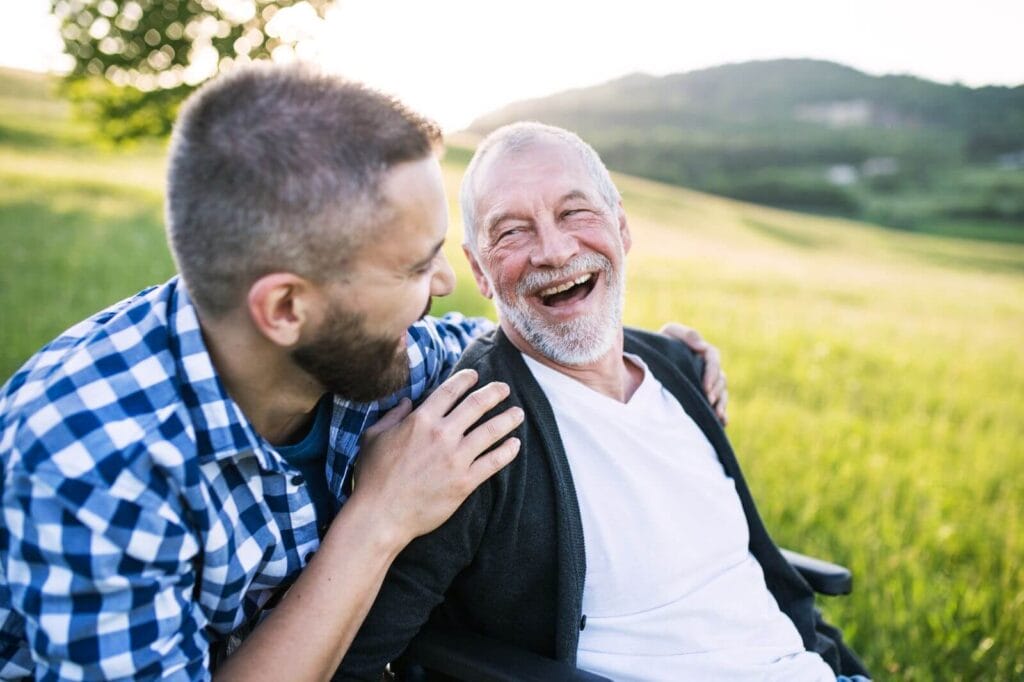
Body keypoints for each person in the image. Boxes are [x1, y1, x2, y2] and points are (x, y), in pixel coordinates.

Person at [0, 65, 725, 680]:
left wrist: (656, 354)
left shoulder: (378, 352)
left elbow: (510, 334)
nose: (444, 282)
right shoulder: (91, 459)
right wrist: (380, 517)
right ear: (286, 307)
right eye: (415, 266)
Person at [336, 122, 870, 681]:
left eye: (575, 214)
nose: (554, 250)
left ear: (621, 227)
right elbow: (361, 659)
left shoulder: (677, 367)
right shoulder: (472, 431)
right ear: (480, 272)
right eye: (513, 231)